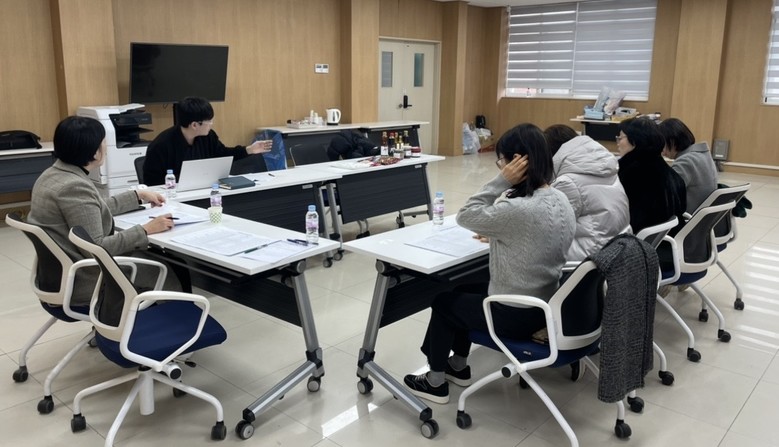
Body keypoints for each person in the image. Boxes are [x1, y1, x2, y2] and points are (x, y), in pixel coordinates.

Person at [403, 123, 575, 404]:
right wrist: (501, 233)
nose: (501, 166)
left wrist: (501, 181)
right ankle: (458, 365)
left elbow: (466, 215)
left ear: (517, 163)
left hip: (514, 314)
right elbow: (534, 234)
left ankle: (434, 382)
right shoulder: (561, 198)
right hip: (544, 304)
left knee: (443, 303)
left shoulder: (518, 208)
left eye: (502, 161)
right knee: (461, 291)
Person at [27, 116, 186, 324]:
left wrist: (137, 196)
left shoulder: (52, 175)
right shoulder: (73, 187)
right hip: (86, 280)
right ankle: (173, 329)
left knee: (160, 259)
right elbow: (97, 247)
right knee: (168, 265)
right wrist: (146, 229)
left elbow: (90, 208)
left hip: (58, 276)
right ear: (95, 152)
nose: (106, 148)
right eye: (104, 142)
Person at [544, 124, 630, 261]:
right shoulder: (606, 168)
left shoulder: (567, 183)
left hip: (590, 258)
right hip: (617, 248)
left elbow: (547, 229)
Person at [142, 96, 272, 186]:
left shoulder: (208, 136)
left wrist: (250, 149)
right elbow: (152, 183)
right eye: (208, 121)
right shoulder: (161, 145)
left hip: (203, 190)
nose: (211, 124)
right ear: (194, 125)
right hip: (172, 197)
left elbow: (223, 154)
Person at [616, 117, 686, 235]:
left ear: (635, 141)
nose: (618, 143)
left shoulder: (629, 173)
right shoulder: (672, 174)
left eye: (621, 137)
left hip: (636, 241)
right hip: (667, 240)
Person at [658, 118, 718, 214]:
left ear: (672, 141)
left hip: (687, 217)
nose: (661, 150)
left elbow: (665, 195)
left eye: (662, 144)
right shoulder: (702, 155)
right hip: (703, 215)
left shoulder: (685, 162)